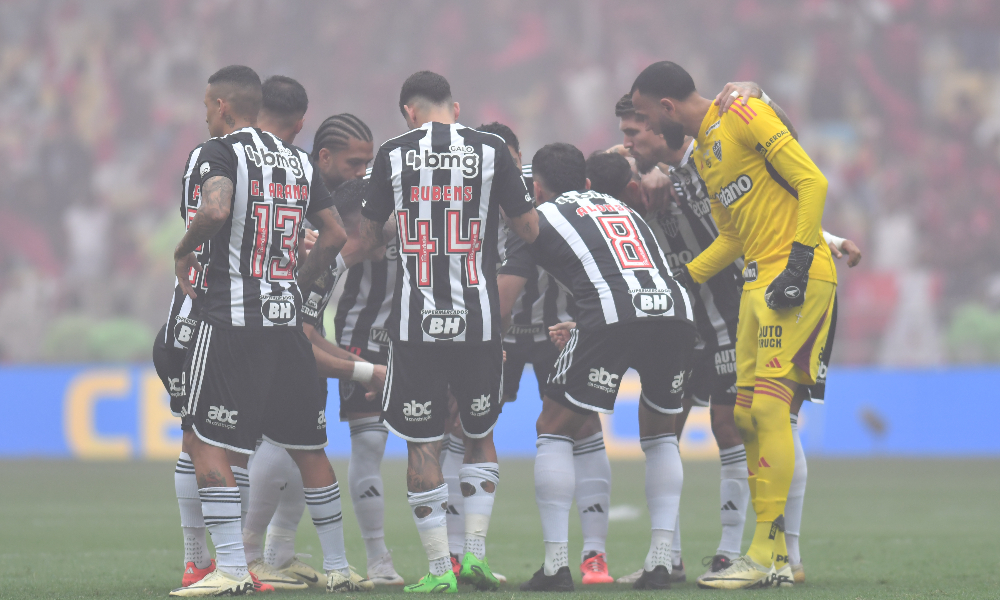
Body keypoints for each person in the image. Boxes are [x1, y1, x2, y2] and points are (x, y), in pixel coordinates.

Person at [631, 61, 838, 589]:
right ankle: (772, 558)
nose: (645, 128)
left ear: (667, 108)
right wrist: (680, 279)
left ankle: (768, 554)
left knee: (768, 411)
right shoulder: (704, 154)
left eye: (644, 116)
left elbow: (812, 180)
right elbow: (730, 239)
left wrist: (797, 260)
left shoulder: (744, 112)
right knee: (746, 419)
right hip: (755, 283)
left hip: (795, 276)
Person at [168, 65, 370, 596]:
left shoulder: (218, 153)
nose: (207, 114)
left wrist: (183, 250)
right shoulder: (299, 161)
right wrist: (292, 287)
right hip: (286, 324)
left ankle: (231, 569)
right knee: (309, 448)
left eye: (208, 105)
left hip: (232, 320)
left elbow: (214, 208)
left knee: (205, 442)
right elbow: (333, 236)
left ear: (223, 107)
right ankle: (338, 568)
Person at [357, 71, 539, 593]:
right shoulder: (491, 150)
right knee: (479, 435)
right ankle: (475, 557)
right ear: (454, 108)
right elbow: (528, 229)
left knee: (423, 442)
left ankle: (439, 571)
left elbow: (369, 238)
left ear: (409, 112)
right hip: (480, 321)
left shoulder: (391, 154)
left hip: (417, 324)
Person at [499, 143, 695, 591]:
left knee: (553, 426)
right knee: (662, 433)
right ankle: (661, 561)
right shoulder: (619, 205)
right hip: (674, 313)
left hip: (610, 317)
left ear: (536, 187)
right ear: (586, 183)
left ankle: (555, 567)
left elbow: (506, 298)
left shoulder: (537, 217)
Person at [232, 82, 384, 591]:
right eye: (354, 164)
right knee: (286, 438)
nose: (398, 238)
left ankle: (277, 552)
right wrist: (363, 370)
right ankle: (249, 554)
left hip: (281, 340)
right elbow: (295, 330)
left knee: (304, 441)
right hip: (245, 334)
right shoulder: (313, 238)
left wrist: (356, 364)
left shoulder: (331, 248)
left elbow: (309, 330)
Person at [477, 123, 614, 586]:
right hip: (504, 329)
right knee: (471, 422)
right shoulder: (467, 184)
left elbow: (593, 174)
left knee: (581, 424)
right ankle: (464, 553)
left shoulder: (541, 186)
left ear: (520, 159)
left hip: (558, 327)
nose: (506, 170)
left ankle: (595, 556)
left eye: (510, 160)